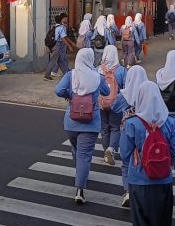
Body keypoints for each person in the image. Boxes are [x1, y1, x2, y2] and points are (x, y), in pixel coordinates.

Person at [120, 81, 175, 226]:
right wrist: (166, 164)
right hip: (163, 181)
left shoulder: (132, 123)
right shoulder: (169, 122)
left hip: (138, 180)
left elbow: (124, 154)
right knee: (162, 225)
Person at [55, 48, 110, 204]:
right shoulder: (97, 77)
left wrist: (69, 96)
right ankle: (79, 189)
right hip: (91, 123)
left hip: (71, 122)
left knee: (76, 150)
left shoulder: (70, 75)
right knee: (84, 155)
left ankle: (80, 172)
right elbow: (106, 93)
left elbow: (58, 90)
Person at [110, 65, 148, 207]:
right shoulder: (148, 91)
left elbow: (114, 107)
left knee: (126, 161)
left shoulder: (124, 94)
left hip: (126, 128)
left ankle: (127, 191)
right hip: (145, 129)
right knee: (144, 157)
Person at [98, 45, 127, 166]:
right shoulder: (121, 70)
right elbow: (126, 87)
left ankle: (105, 153)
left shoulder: (98, 69)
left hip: (101, 103)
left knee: (104, 128)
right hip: (116, 104)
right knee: (115, 127)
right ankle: (111, 149)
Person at [44, 13, 75, 81]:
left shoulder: (55, 27)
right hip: (57, 45)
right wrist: (69, 45)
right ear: (61, 20)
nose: (66, 19)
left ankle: (67, 73)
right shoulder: (60, 28)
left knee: (60, 60)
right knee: (53, 61)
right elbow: (63, 38)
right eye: (64, 18)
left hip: (54, 45)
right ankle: (47, 75)